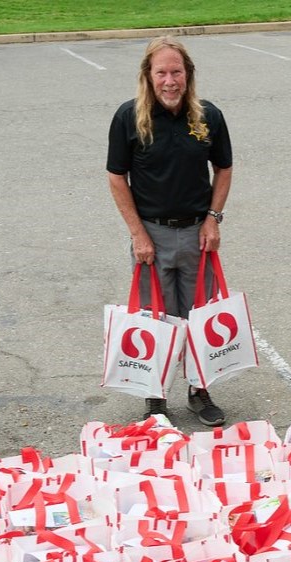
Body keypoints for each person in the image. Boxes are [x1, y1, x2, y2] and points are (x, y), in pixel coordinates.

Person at [107, 36, 233, 426]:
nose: (169, 80)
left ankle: (199, 391)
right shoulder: (129, 117)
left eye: (176, 71)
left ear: (187, 74)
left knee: (198, 318)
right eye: (161, 72)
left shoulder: (207, 116)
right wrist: (137, 234)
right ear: (148, 75)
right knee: (155, 319)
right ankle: (155, 395)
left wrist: (213, 217)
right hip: (153, 236)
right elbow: (116, 177)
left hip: (198, 233)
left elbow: (224, 168)